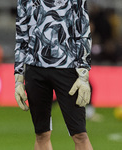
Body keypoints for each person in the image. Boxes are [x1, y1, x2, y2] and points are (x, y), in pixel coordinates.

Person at [14, 0, 93, 149]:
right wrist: (18, 77)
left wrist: (83, 72)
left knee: (80, 135)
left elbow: (83, 31)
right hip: (35, 68)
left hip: (67, 67)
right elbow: (21, 36)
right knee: (41, 134)